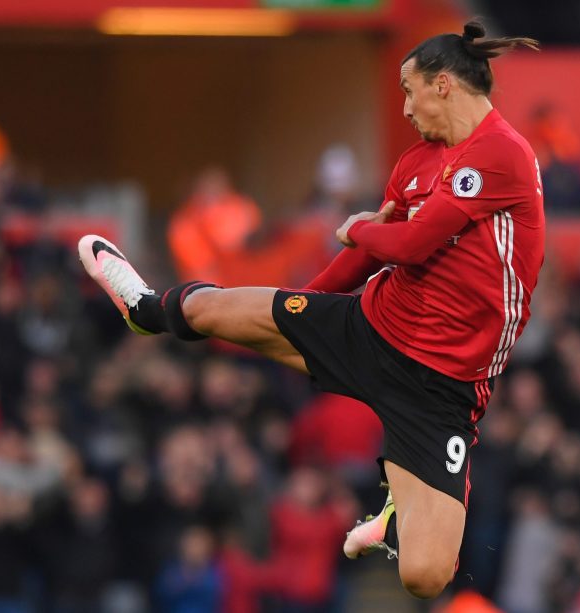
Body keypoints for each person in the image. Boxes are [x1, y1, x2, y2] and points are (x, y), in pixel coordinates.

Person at [77, 20, 543, 599]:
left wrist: (358, 231)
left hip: (442, 385)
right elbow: (365, 260)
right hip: (374, 326)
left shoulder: (502, 154)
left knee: (425, 576)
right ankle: (145, 307)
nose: (403, 108)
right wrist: (303, 307)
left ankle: (395, 506)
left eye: (408, 88)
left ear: (443, 85)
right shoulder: (415, 164)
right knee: (221, 313)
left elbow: (408, 244)